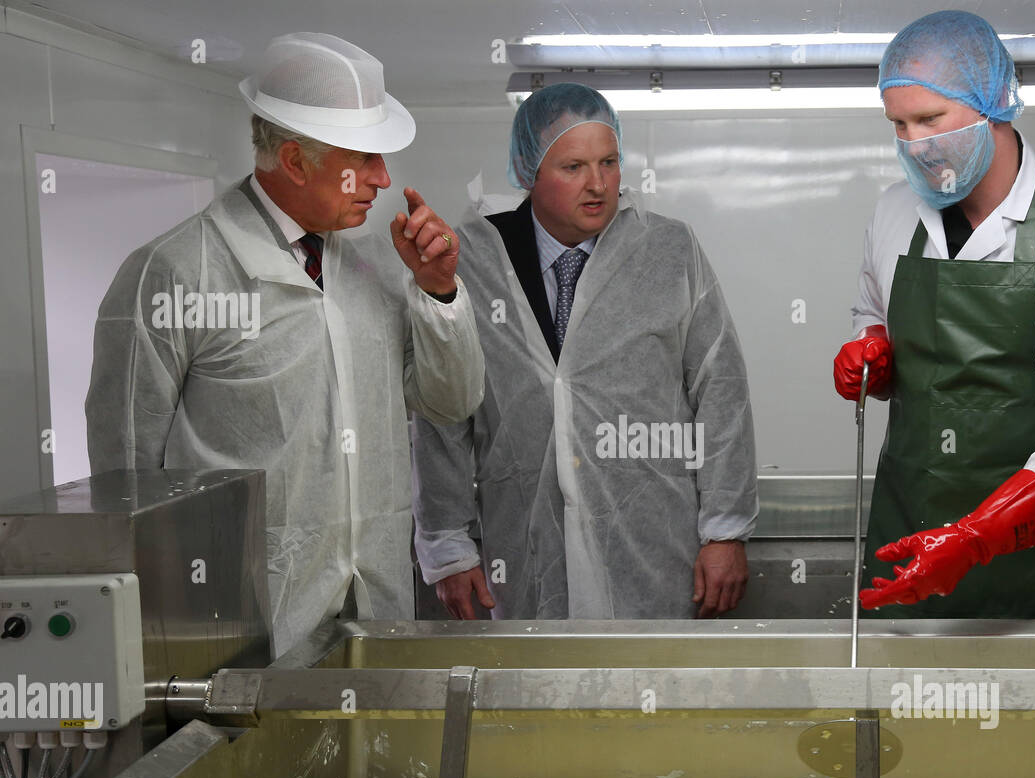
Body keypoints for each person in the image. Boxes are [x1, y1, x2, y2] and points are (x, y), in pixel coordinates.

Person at [86, 33, 485, 655]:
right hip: (236, 617)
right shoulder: (176, 271)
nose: (383, 179)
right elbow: (126, 474)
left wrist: (437, 292)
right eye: (365, 158)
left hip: (373, 606)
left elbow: (451, 402)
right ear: (296, 162)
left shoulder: (377, 266)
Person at [833, 10, 1035, 617]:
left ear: (996, 104)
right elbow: (870, 310)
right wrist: (871, 347)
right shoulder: (894, 213)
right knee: (900, 710)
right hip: (907, 534)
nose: (912, 144)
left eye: (930, 119)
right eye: (897, 124)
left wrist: (977, 537)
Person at [411, 83, 757, 620]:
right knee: (536, 697)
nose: (598, 185)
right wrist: (448, 547)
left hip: (653, 546)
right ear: (529, 172)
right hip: (521, 550)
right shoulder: (473, 259)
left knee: (652, 696)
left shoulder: (668, 251)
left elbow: (721, 390)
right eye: (573, 167)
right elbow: (443, 412)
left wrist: (725, 531)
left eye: (610, 162)